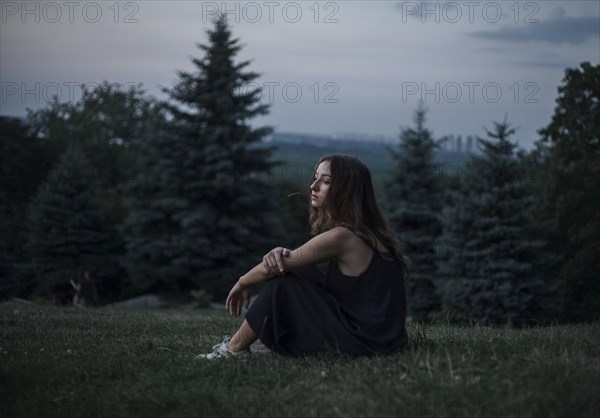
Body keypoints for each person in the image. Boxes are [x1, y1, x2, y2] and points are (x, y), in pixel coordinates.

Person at [197, 155, 409, 359]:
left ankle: (233, 349)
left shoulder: (342, 237)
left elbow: (275, 267)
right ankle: (262, 343)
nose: (313, 186)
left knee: (283, 283)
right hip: (382, 340)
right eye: (315, 177)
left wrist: (242, 281)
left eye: (325, 181)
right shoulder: (368, 233)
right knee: (298, 271)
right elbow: (293, 261)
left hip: (364, 343)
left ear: (347, 191)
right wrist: (282, 253)